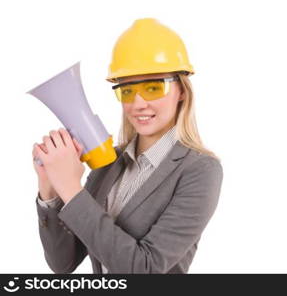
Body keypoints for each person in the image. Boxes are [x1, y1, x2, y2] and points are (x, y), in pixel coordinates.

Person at [33, 18, 222, 273]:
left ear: (182, 92)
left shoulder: (200, 170)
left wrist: (71, 188)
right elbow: (63, 263)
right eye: (127, 91)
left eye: (154, 87)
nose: (138, 103)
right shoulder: (110, 162)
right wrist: (51, 189)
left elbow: (146, 269)